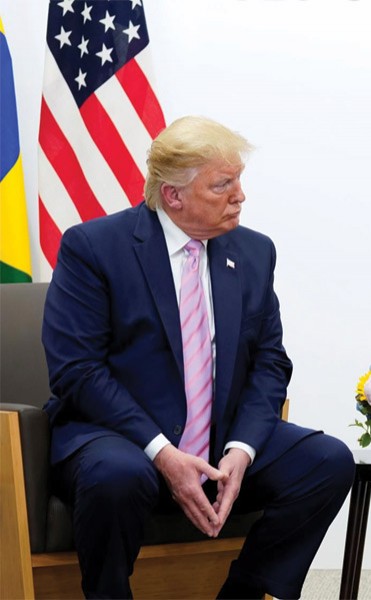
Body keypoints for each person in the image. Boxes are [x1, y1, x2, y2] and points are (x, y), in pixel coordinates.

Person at [42, 116, 355, 599]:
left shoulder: (252, 252)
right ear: (173, 195)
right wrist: (162, 452)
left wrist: (241, 449)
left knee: (327, 461)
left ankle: (242, 593)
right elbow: (77, 370)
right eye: (223, 185)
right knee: (117, 475)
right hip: (121, 437)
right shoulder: (95, 248)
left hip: (217, 438)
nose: (240, 196)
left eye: (239, 181)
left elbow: (271, 362)